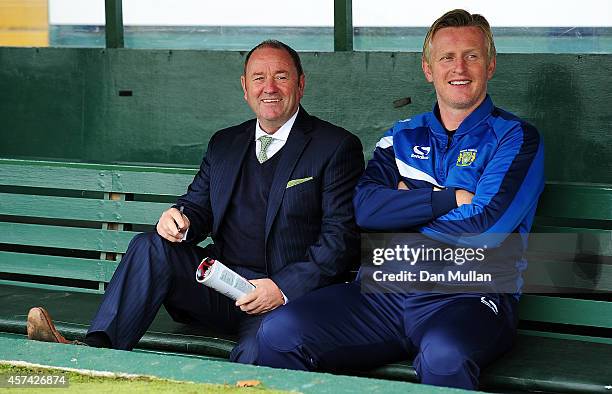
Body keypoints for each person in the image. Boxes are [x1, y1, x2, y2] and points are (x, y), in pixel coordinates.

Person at [254, 10, 545, 390]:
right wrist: (449, 198)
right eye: (446, 57)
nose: (459, 67)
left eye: (472, 55)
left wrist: (401, 210)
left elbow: (484, 227)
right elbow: (365, 208)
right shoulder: (402, 136)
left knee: (444, 358)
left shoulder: (515, 137)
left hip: (468, 296)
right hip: (382, 295)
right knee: (279, 331)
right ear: (428, 68)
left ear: (490, 65)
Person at [26, 40, 365, 364]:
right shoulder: (225, 143)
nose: (269, 88)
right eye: (258, 78)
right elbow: (197, 206)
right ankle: (97, 352)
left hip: (283, 301)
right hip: (220, 287)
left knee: (259, 354)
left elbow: (340, 240)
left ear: (301, 84)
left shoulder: (334, 147)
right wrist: (180, 218)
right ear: (245, 87)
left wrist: (282, 288)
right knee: (151, 245)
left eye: (281, 77)